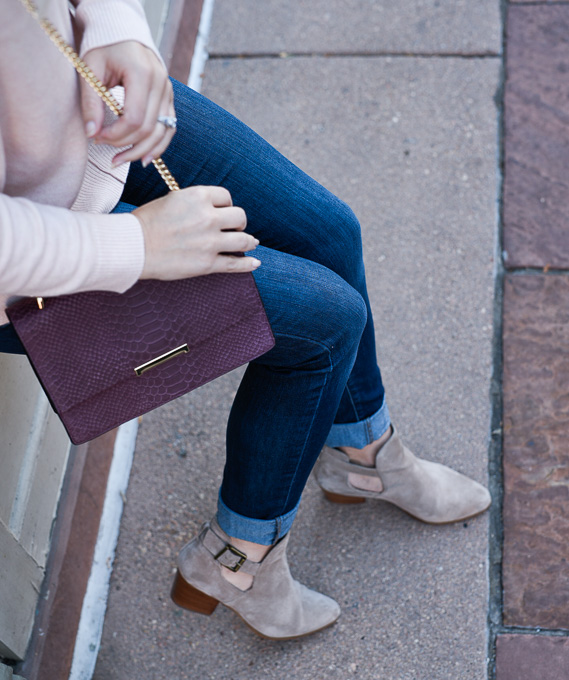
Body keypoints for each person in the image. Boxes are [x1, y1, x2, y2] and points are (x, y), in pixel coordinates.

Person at [1, 0, 491, 640]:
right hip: (37, 253)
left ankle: (362, 455)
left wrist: (118, 26)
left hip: (98, 105)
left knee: (330, 233)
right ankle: (238, 562)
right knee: (325, 325)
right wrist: (140, 247)